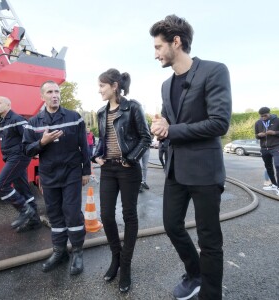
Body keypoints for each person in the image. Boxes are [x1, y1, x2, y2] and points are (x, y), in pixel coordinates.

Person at [150, 15, 232, 300]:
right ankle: (196, 274)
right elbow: (169, 123)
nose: (156, 53)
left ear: (176, 41)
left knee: (209, 239)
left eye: (159, 46)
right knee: (172, 226)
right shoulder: (165, 85)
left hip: (205, 171)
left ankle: (210, 294)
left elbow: (220, 123)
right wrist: (161, 128)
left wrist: (172, 129)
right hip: (175, 170)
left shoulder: (214, 71)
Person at [22, 80, 91, 275]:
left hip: (71, 173)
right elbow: (26, 150)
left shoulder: (74, 117)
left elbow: (83, 147)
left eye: (57, 91)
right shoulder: (33, 123)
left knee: (71, 212)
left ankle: (77, 251)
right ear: (42, 97)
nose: (55, 95)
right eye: (50, 92)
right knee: (54, 213)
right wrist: (41, 142)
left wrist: (86, 171)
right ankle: (60, 251)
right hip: (49, 175)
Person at [92, 68, 151, 293]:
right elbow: (103, 140)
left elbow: (146, 138)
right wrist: (96, 155)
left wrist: (130, 159)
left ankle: (125, 267)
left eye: (101, 86)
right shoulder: (100, 112)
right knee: (106, 215)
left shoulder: (133, 107)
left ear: (114, 86)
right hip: (108, 169)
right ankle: (115, 258)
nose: (99, 91)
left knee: (129, 216)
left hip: (128, 170)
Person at [0, 96, 41, 233]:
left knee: (0, 186)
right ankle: (35, 222)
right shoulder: (3, 121)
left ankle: (25, 210)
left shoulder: (16, 119)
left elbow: (29, 135)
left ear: (8, 105)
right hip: (11, 157)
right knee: (23, 189)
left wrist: (35, 150)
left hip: (18, 157)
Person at [255, 107, 279, 194]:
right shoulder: (258, 122)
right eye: (262, 116)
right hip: (264, 148)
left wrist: (275, 133)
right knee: (268, 167)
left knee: (278, 165)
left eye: (265, 115)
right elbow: (256, 135)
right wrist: (259, 135)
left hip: (276, 147)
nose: (263, 117)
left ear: (269, 113)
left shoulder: (277, 120)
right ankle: (274, 184)